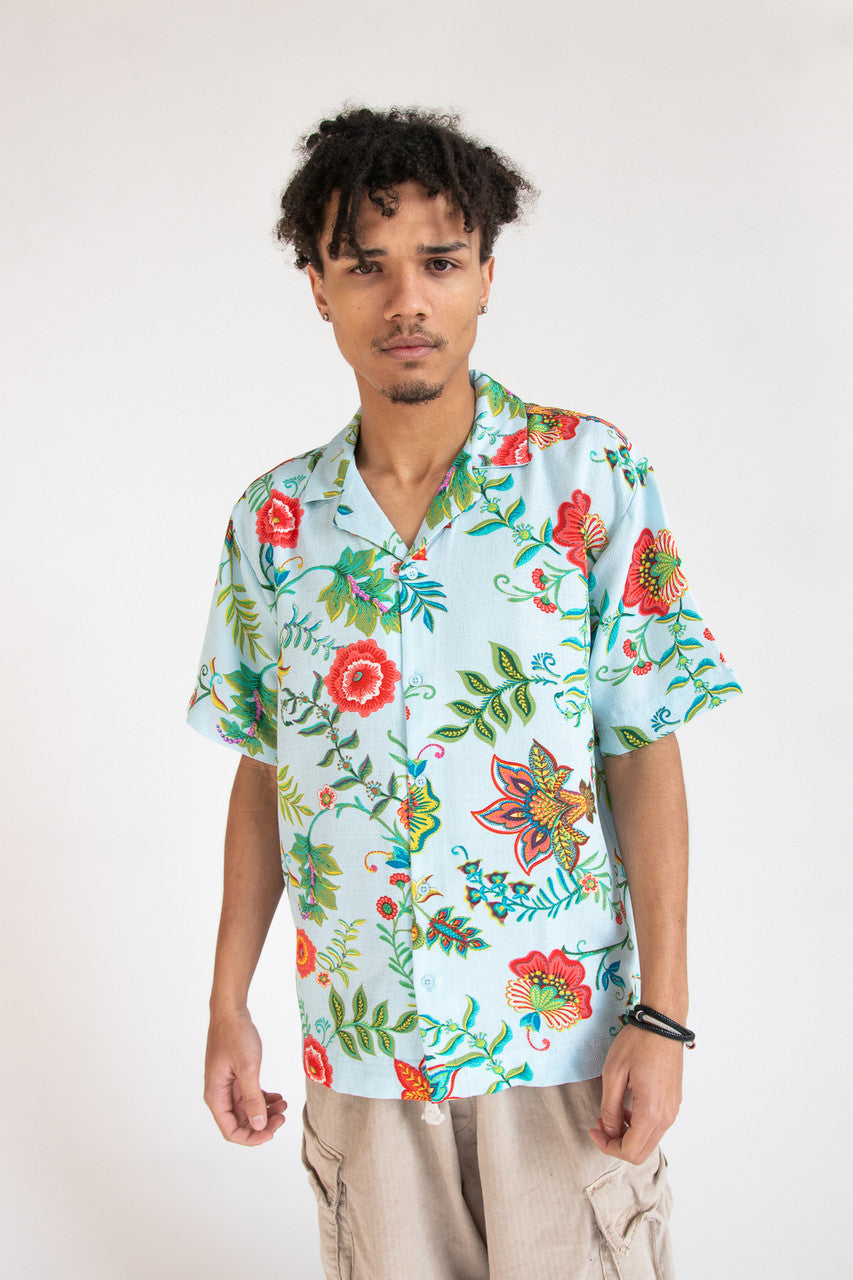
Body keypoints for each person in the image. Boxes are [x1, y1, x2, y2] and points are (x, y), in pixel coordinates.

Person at [187, 106, 741, 1280]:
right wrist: (228, 1000)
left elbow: (644, 746)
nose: (407, 300)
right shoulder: (273, 522)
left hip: (563, 1042)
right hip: (361, 1046)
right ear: (317, 285)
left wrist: (664, 1014)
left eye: (439, 262)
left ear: (486, 274)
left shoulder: (586, 477)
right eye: (366, 266)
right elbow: (266, 765)